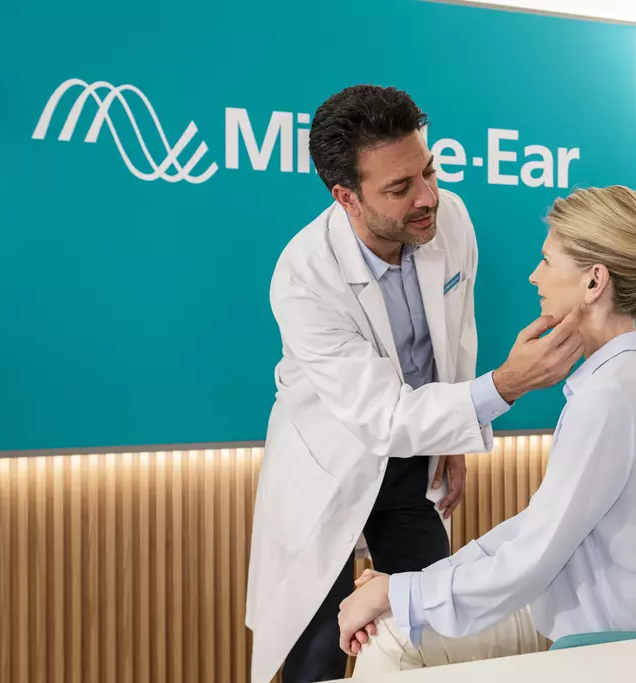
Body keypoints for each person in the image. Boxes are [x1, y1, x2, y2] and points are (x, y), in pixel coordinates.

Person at [245, 84, 586, 683]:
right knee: (319, 655)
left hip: (411, 463)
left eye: (428, 171)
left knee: (429, 632)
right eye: (400, 188)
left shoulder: (450, 219)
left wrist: (452, 440)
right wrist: (504, 386)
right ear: (346, 197)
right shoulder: (304, 277)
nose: (427, 197)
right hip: (329, 465)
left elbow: (456, 337)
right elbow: (379, 417)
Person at [336, 185, 636, 675]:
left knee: (389, 639)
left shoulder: (608, 398)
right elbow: (536, 529)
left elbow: (530, 560)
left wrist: (400, 593)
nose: (535, 275)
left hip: (611, 639)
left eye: (548, 261)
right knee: (398, 620)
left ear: (594, 281)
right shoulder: (628, 378)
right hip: (589, 610)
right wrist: (408, 587)